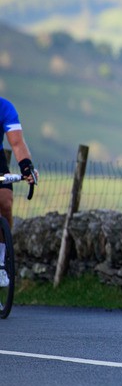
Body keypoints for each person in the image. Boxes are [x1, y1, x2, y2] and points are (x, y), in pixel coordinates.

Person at [0, 97, 38, 288]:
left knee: (5, 203)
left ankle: (0, 263)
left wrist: (26, 167)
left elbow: (17, 143)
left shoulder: (5, 107)